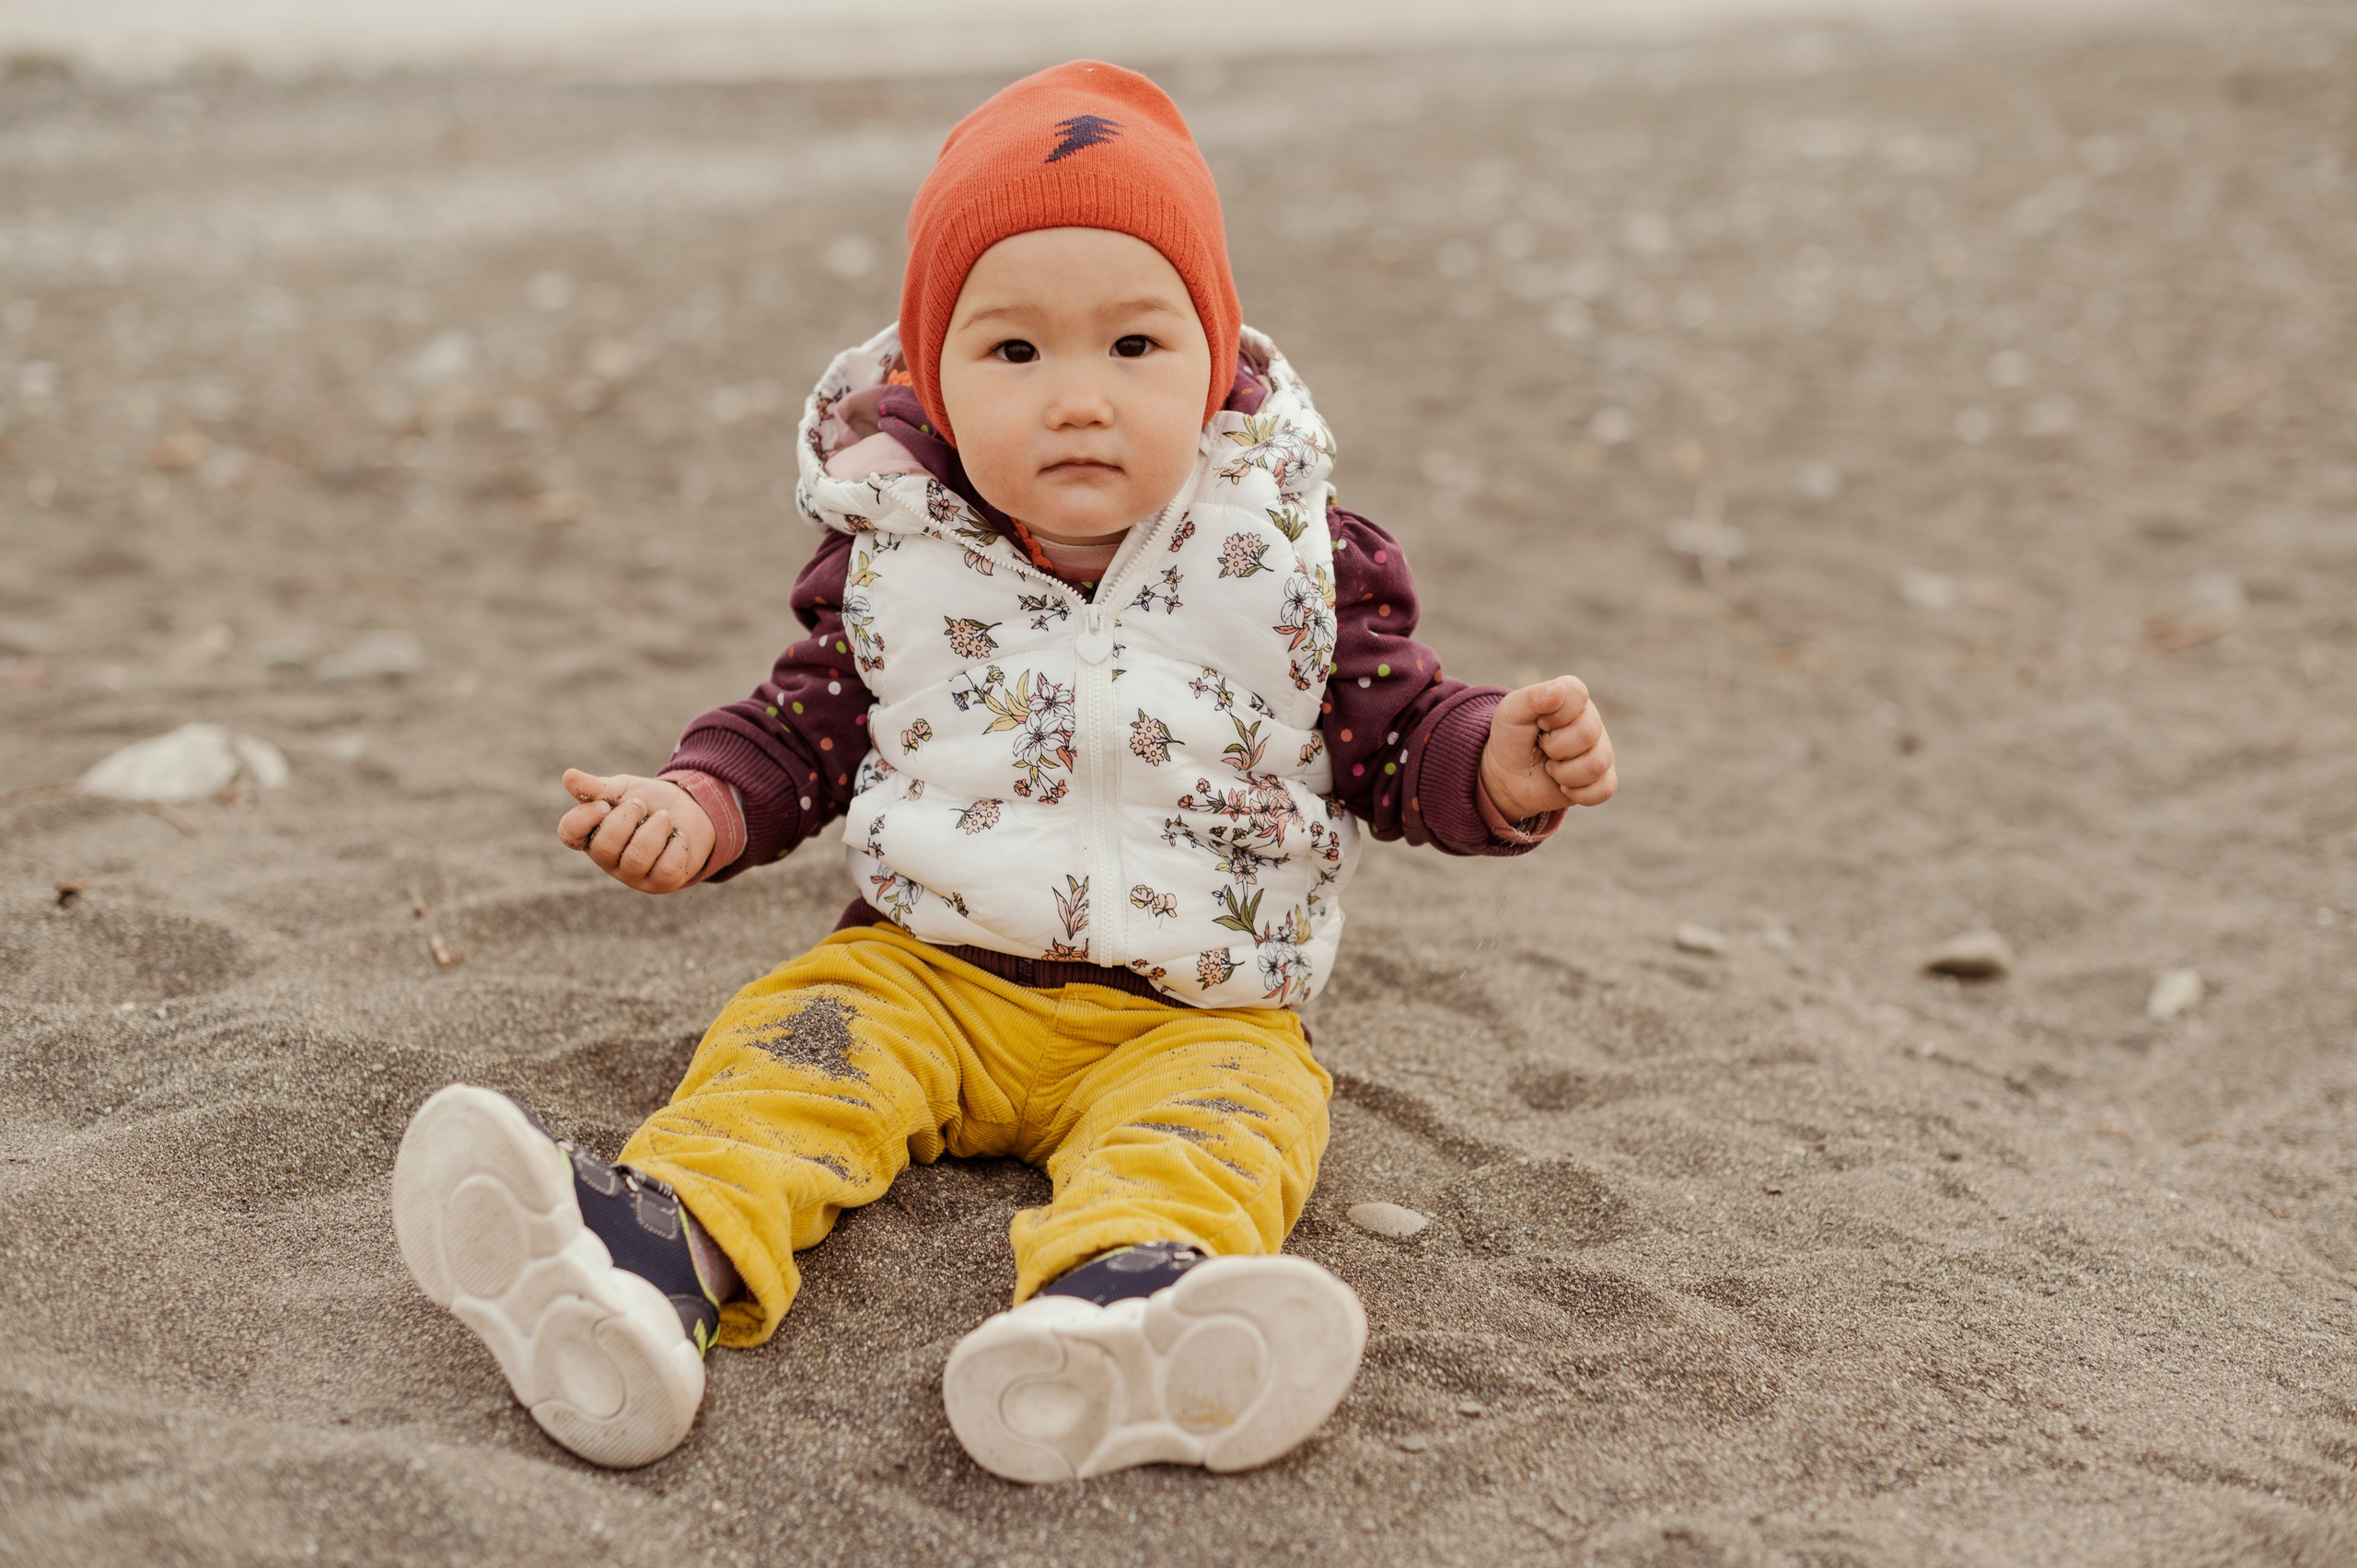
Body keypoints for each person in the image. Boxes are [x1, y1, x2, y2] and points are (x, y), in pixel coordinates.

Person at [390, 58, 1617, 1482]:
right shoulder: (901, 552)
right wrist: (699, 803)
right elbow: (808, 728)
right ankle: (642, 1267)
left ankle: (1118, 1315)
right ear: (935, 372)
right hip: (931, 971)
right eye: (1015, 353)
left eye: (1135, 348)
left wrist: (1503, 767)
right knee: (789, 1061)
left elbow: (1396, 743)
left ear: (1214, 359)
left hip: (1197, 1012)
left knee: (1232, 1135)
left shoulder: (1295, 561)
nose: (1078, 401)